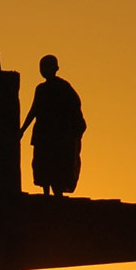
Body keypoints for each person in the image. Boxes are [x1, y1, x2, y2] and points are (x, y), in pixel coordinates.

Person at [19, 54, 86, 196]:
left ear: (56, 68)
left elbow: (75, 106)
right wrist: (22, 129)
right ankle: (46, 193)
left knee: (57, 164)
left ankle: (57, 194)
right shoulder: (40, 89)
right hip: (43, 134)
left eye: (47, 66)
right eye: (42, 67)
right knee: (42, 164)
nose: (44, 70)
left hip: (58, 136)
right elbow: (34, 110)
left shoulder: (64, 87)